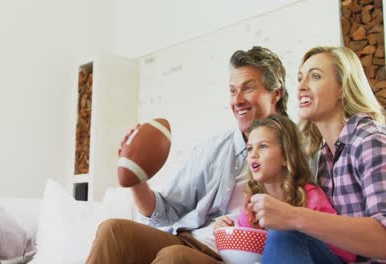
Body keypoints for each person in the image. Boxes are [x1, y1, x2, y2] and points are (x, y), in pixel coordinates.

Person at [86, 46, 288, 264]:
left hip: (232, 257)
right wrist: (136, 178)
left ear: (275, 93)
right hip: (190, 241)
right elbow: (166, 211)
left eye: (248, 88)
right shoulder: (213, 149)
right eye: (232, 90)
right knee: (113, 232)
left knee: (174, 258)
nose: (237, 100)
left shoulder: (296, 152)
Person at [247, 46, 386, 263]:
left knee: (286, 232)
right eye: (301, 78)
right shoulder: (323, 156)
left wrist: (292, 217)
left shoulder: (369, 140)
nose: (301, 86)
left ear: (343, 88)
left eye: (315, 76)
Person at [213, 114, 356, 263]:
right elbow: (247, 255)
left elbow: (346, 252)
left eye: (263, 146)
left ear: (285, 157)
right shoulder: (252, 203)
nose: (253, 155)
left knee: (282, 231)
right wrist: (226, 231)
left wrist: (297, 226)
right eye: (249, 149)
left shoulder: (310, 196)